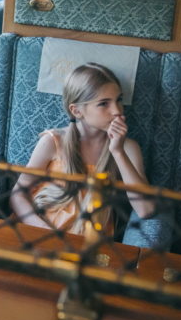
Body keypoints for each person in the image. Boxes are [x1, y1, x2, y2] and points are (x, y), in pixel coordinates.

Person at [10, 63, 154, 234]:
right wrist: (44, 230)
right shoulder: (53, 142)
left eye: (119, 100)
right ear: (77, 111)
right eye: (103, 104)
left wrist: (118, 152)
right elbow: (18, 195)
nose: (117, 111)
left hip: (89, 240)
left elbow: (145, 209)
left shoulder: (128, 148)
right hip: (41, 230)